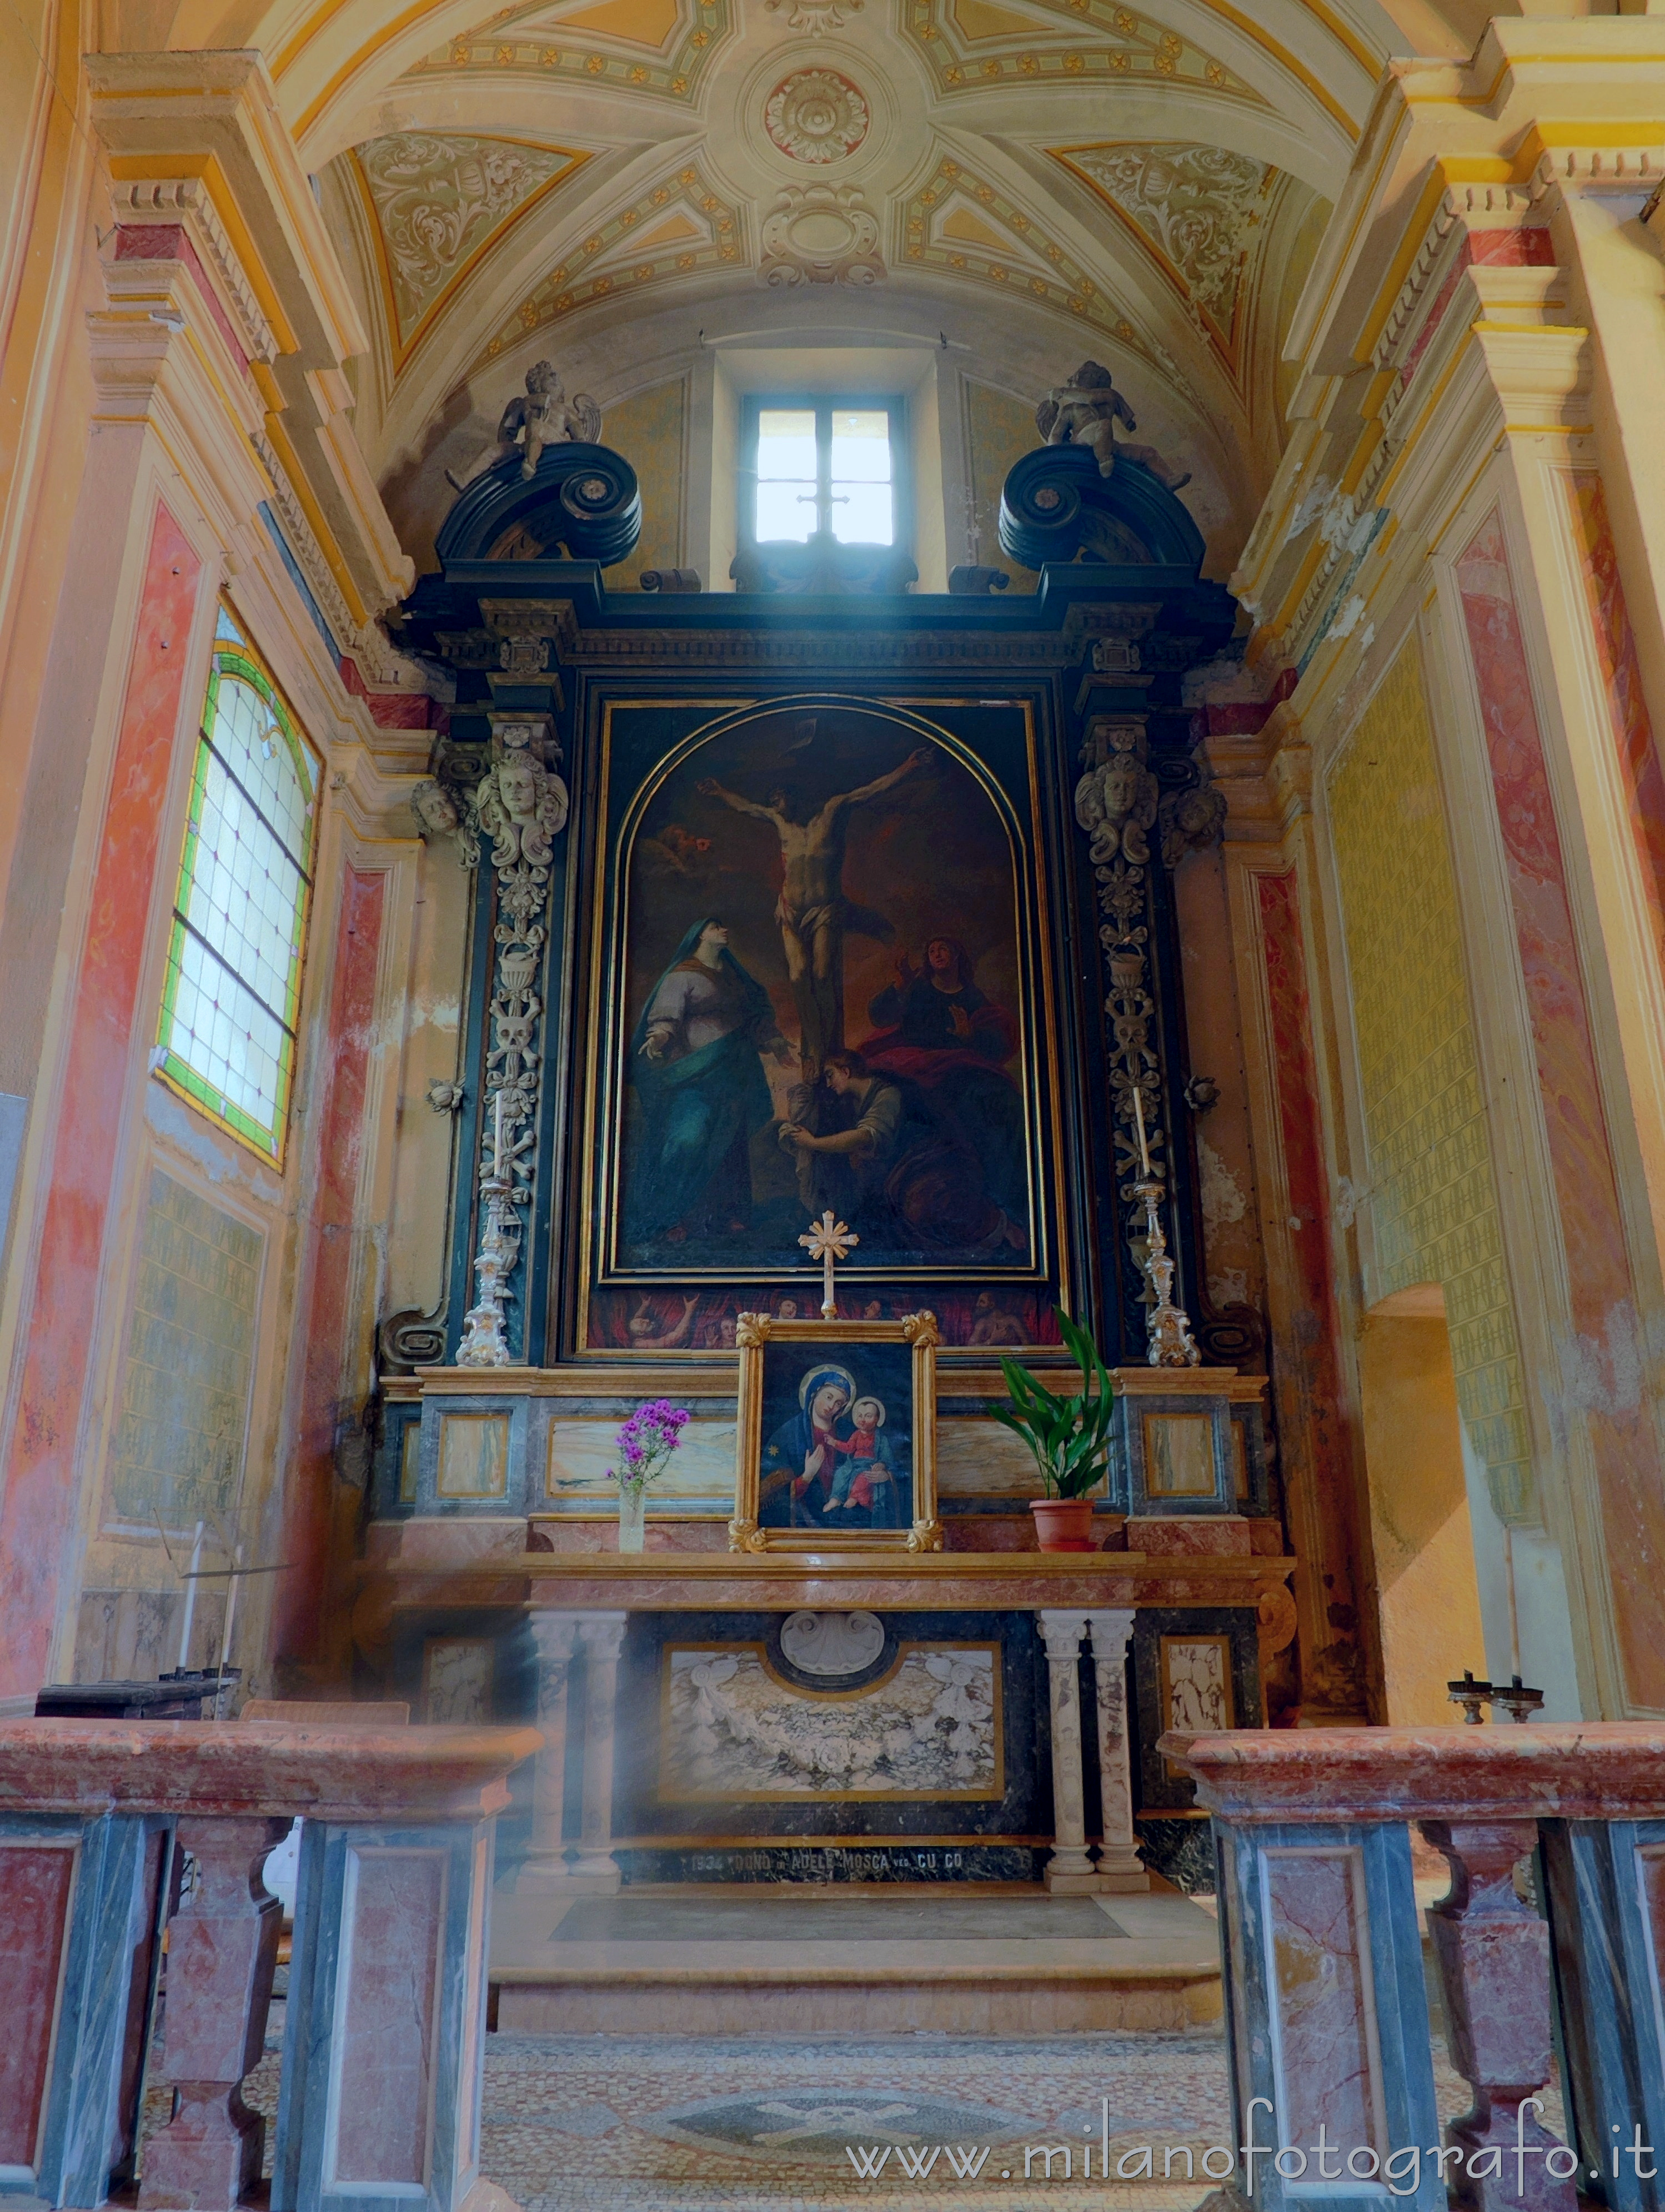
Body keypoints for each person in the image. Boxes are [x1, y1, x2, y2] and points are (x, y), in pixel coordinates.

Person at [696, 747, 932, 1075]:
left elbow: (870, 790)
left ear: (796, 797)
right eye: (774, 800)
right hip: (791, 911)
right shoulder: (781, 824)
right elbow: (748, 808)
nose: (776, 805)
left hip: (825, 910)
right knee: (798, 977)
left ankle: (831, 1050)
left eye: (780, 798)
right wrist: (721, 792)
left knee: (822, 976)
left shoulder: (832, 812)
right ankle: (812, 1050)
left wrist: (908, 766)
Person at [626, 917, 791, 1248]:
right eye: (717, 926)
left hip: (734, 1075)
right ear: (700, 934)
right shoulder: (683, 975)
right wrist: (659, 1038)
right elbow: (666, 1017)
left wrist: (774, 1042)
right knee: (689, 1138)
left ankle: (728, 1215)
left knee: (730, 1142)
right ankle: (671, 1215)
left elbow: (754, 1019)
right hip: (694, 1074)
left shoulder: (735, 980)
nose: (725, 930)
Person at [861, 939, 1029, 1253]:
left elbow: (991, 1041)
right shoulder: (918, 988)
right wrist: (898, 986)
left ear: (957, 956)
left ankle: (1004, 1192)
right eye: (932, 949)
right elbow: (881, 1017)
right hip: (916, 1059)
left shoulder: (971, 995)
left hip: (958, 1062)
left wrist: (970, 1036)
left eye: (943, 949)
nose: (937, 954)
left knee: (1000, 1096)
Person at [759, 1365, 854, 1527]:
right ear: (814, 1393)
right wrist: (807, 1476)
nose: (832, 1406)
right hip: (804, 1523)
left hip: (844, 1521)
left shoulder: (848, 1434)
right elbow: (766, 1493)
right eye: (828, 1397)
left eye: (838, 1403)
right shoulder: (788, 1435)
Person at [822, 1397, 901, 1521]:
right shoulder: (856, 1435)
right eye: (860, 1416)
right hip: (853, 1464)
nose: (863, 1420)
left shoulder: (881, 1439)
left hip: (869, 1465)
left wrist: (882, 1464)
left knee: (863, 1478)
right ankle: (836, 1499)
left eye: (868, 1416)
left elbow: (887, 1457)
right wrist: (834, 1443)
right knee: (840, 1473)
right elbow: (849, 1448)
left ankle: (855, 1497)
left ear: (876, 1420)